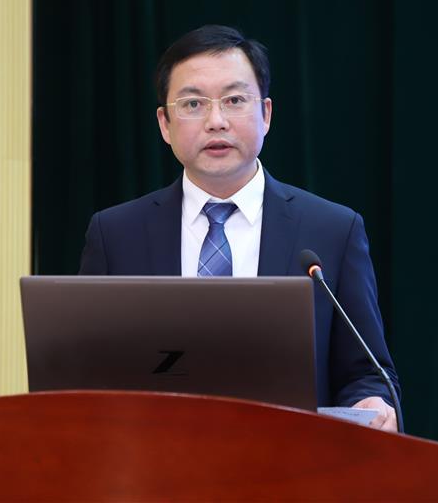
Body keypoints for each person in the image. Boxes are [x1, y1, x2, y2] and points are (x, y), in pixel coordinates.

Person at [79, 25, 400, 431]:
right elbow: (85, 374)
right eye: (193, 104)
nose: (216, 122)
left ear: (266, 114)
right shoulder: (115, 234)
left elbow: (366, 372)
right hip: (157, 459)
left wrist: (372, 401)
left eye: (234, 100)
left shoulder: (332, 231)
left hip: (289, 461)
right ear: (164, 124)